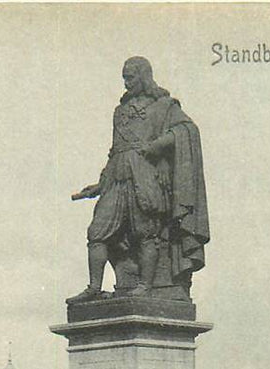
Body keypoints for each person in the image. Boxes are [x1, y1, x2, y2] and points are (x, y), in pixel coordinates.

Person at [68, 56, 209, 303]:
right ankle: (94, 287)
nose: (126, 83)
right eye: (123, 78)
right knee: (97, 232)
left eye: (130, 77)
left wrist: (157, 145)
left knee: (146, 233)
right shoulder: (119, 111)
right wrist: (100, 184)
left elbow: (187, 130)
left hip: (145, 176)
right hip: (117, 177)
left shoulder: (164, 106)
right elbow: (114, 151)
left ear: (143, 76)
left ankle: (145, 285)